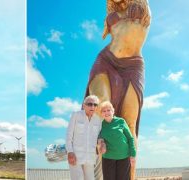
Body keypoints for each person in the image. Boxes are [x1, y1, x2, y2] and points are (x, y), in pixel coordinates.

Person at [84, 0, 151, 179]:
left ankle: (130, 175)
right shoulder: (113, 9)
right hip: (106, 61)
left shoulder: (142, 5)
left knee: (129, 123)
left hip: (134, 66)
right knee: (99, 113)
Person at [66, 95, 102, 180]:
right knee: (78, 178)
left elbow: (99, 137)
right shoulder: (76, 115)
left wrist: (102, 143)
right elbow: (69, 135)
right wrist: (70, 152)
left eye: (95, 104)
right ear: (84, 105)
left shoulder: (98, 120)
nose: (92, 106)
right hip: (75, 155)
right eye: (90, 104)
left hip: (90, 156)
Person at [98, 101, 136, 180]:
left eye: (108, 110)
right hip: (108, 157)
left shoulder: (121, 121)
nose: (106, 112)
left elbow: (130, 138)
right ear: (101, 114)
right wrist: (101, 143)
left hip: (124, 157)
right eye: (104, 111)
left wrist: (133, 155)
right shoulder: (100, 125)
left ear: (113, 111)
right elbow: (98, 138)